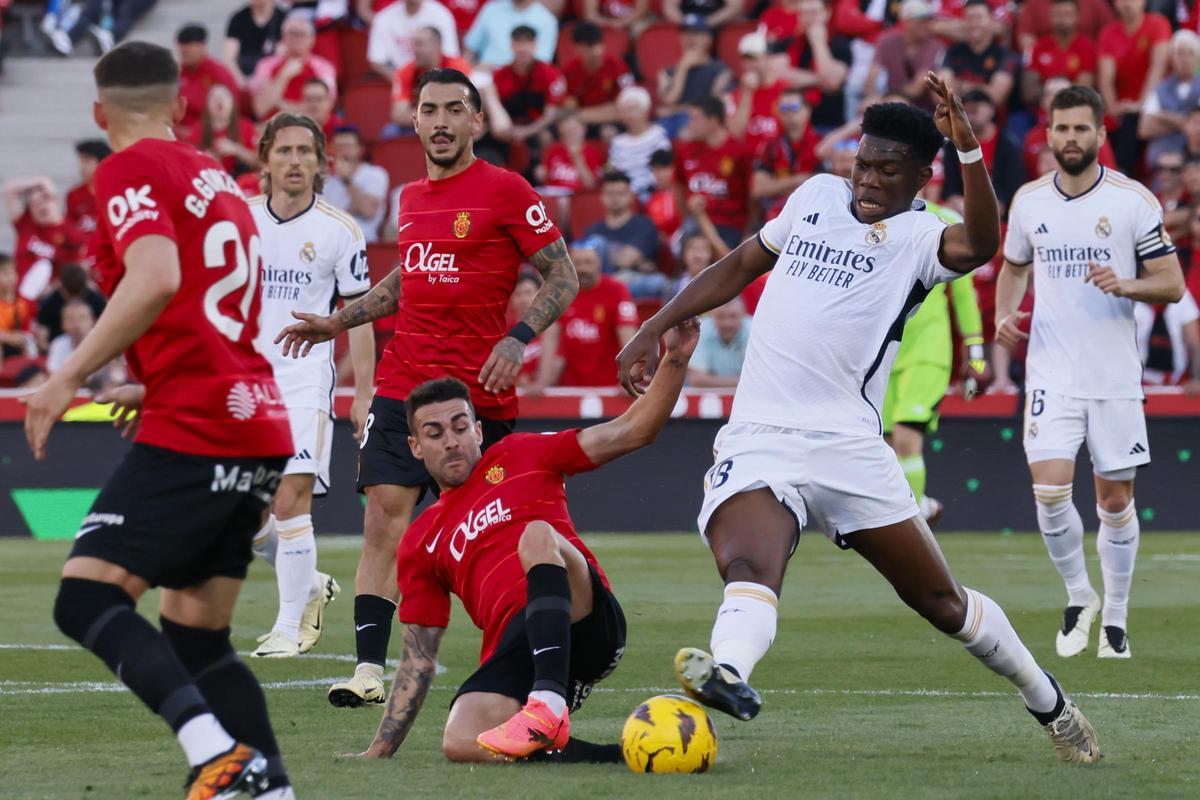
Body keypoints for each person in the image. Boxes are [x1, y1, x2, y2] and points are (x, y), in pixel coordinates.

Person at [616, 74, 1101, 764]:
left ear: (920, 177)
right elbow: (739, 263)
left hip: (848, 446)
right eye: (862, 164)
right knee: (750, 563)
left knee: (943, 604)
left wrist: (969, 150)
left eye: (886, 170)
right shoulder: (814, 196)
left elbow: (985, 244)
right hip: (760, 437)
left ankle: (1048, 702)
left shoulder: (921, 237)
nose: (867, 180)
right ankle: (730, 674)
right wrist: (656, 324)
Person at [23, 41, 296, 799]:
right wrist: (153, 380)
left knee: (86, 598)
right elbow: (212, 302)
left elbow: (157, 277)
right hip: (254, 417)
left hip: (201, 426)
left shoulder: (126, 168)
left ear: (97, 113)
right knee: (197, 635)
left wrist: (65, 377)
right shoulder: (215, 175)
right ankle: (273, 792)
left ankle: (216, 754)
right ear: (181, 106)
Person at [276, 68, 578, 708]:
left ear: (475, 121)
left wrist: (517, 336)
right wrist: (340, 318)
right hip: (401, 385)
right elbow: (405, 283)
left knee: (489, 536)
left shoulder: (506, 190)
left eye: (453, 110)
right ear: (413, 121)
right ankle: (366, 671)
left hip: (477, 398)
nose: (440, 121)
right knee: (384, 515)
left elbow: (564, 277)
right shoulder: (410, 198)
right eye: (428, 110)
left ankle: (522, 660)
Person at [356, 322, 699, 761]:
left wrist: (675, 360)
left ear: (478, 431)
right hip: (518, 647)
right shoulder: (420, 539)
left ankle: (548, 705)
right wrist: (377, 753)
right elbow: (419, 657)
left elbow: (632, 430)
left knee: (535, 534)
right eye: (435, 433)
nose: (452, 441)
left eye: (460, 426)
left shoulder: (521, 452)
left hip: (587, 620)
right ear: (416, 446)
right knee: (461, 742)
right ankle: (617, 757)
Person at [995, 85, 1186, 661]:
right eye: (1061, 129)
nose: (1070, 138)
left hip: (1113, 376)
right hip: (1051, 370)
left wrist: (1126, 283)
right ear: (1048, 135)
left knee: (1112, 501)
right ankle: (1081, 596)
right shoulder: (1029, 202)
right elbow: (1013, 267)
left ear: (1101, 135)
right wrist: (1005, 312)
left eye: (1081, 129)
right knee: (1050, 490)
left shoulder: (1133, 201)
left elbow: (1172, 284)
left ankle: (1118, 617)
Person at [246, 113, 376, 659]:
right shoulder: (239, 219)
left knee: (289, 498)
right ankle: (313, 583)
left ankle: (287, 626)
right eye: (284, 151)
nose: (294, 161)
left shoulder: (339, 229)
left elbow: (362, 311)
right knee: (242, 523)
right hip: (245, 383)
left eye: (305, 151)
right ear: (266, 160)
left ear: (322, 163)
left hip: (304, 380)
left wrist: (364, 390)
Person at [884, 201, 989, 526]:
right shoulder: (873, 219)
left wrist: (975, 352)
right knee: (885, 446)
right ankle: (924, 506)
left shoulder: (947, 221)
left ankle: (911, 525)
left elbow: (962, 294)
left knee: (905, 437)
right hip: (884, 350)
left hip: (929, 348)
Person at [537, 238, 638, 387]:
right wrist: (542, 382)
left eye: (588, 262)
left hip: (609, 387)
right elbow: (550, 339)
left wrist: (629, 379)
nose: (582, 269)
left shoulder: (617, 291)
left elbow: (629, 338)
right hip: (571, 388)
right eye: (577, 263)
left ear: (599, 263)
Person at [1097, 0, 1171, 176]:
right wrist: (1113, 106)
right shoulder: (1109, 32)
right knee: (1101, 127)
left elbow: (1157, 67)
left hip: (1154, 100)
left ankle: (1122, 173)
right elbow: (1106, 78)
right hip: (1121, 105)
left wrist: (1142, 103)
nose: (1126, 4)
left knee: (1132, 124)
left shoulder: (1157, 24)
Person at [675, 97, 753, 250]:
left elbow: (751, 195)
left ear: (714, 120)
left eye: (695, 118)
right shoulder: (685, 151)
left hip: (729, 224)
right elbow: (678, 186)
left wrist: (748, 228)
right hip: (694, 224)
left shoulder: (739, 152)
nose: (690, 124)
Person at [941, 89, 1025, 215]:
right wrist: (955, 199)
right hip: (960, 207)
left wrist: (999, 204)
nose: (969, 116)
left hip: (1000, 211)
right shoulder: (952, 145)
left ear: (992, 110)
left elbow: (1013, 186)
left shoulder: (1009, 145)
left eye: (974, 110)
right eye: (965, 112)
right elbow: (949, 185)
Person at [2, 177, 88, 300]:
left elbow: (75, 272)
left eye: (45, 199)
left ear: (56, 201)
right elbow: (9, 191)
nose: (41, 206)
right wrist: (41, 181)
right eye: (34, 204)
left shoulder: (72, 233)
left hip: (46, 298)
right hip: (13, 297)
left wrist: (51, 290)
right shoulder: (26, 224)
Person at [251, 12, 339, 119]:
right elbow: (261, 109)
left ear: (312, 40)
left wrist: (281, 104)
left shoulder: (324, 68)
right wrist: (283, 76)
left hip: (309, 125)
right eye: (292, 33)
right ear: (283, 38)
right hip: (272, 125)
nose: (297, 38)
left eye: (302, 34)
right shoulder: (266, 65)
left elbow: (324, 108)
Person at [751, 87, 821, 219]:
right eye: (783, 108)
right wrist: (799, 180)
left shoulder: (821, 145)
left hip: (813, 213)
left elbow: (824, 186)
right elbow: (758, 189)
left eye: (794, 107)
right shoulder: (770, 146)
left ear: (808, 110)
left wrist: (777, 185)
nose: (788, 113)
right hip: (776, 216)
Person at [864, 0, 945, 111]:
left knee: (895, 105)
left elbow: (916, 88)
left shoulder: (935, 46)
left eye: (929, 20)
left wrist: (887, 99)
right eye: (921, 20)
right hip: (891, 99)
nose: (926, 25)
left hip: (921, 109)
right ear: (906, 21)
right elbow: (871, 79)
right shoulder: (887, 41)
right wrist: (873, 97)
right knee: (868, 105)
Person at [657, 16, 732, 136]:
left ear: (708, 39)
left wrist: (678, 109)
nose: (689, 39)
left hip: (699, 123)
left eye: (696, 33)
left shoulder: (721, 71)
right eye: (685, 34)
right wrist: (682, 68)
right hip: (670, 123)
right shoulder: (667, 72)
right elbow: (669, 100)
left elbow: (712, 107)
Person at [492, 26, 567, 145]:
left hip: (539, 127)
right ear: (511, 45)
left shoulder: (551, 74)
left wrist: (526, 132)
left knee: (545, 137)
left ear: (535, 45)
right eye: (518, 43)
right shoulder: (499, 76)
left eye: (527, 43)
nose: (523, 49)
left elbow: (551, 114)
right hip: (509, 127)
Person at [389, 26, 472, 134]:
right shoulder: (405, 72)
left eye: (419, 44)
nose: (414, 50)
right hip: (416, 126)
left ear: (438, 46)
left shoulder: (458, 68)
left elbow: (466, 109)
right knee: (390, 132)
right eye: (413, 45)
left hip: (451, 126)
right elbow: (398, 115)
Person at [583, 171, 662, 283]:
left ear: (631, 196)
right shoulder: (593, 230)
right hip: (601, 282)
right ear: (601, 197)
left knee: (657, 282)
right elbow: (583, 265)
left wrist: (602, 254)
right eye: (609, 193)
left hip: (635, 281)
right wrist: (639, 262)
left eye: (621, 193)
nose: (615, 198)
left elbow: (626, 260)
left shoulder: (644, 225)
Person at [938, 0, 1019, 108]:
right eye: (969, 18)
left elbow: (996, 96)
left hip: (993, 122)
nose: (974, 24)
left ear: (991, 20)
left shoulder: (1005, 55)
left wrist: (961, 86)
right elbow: (941, 92)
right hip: (956, 116)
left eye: (979, 18)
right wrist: (983, 88)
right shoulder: (952, 52)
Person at [1137, 30, 1200, 167]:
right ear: (1173, 58)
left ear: (1197, 58)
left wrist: (1161, 116)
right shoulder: (1160, 88)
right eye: (1180, 53)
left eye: (1190, 53)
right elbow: (1144, 129)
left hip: (1194, 164)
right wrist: (1184, 122)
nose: (1185, 59)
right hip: (1162, 163)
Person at [1021, 0, 1096, 109]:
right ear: (1050, 16)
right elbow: (1029, 91)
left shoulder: (1087, 47)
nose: (1062, 19)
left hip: (1075, 109)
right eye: (1057, 14)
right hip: (1041, 110)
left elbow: (1084, 88)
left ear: (1077, 17)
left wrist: (1059, 93)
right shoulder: (1037, 47)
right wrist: (1049, 92)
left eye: (1067, 14)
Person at [560, 21, 634, 128]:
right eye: (588, 48)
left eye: (597, 45)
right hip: (582, 123)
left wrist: (582, 114)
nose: (595, 52)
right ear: (577, 49)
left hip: (610, 122)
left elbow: (627, 104)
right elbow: (569, 107)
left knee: (609, 131)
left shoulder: (619, 66)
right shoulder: (569, 71)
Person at [323, 126, 390, 243]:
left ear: (359, 149)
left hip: (365, 242)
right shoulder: (326, 181)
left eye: (348, 146)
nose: (343, 151)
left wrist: (347, 181)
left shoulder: (375, 174)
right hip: (333, 244)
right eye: (338, 146)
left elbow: (368, 211)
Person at [726, 32, 788, 157]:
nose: (750, 65)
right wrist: (747, 94)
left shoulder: (785, 89)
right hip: (747, 160)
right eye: (745, 59)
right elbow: (735, 134)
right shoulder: (736, 95)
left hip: (777, 158)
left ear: (767, 58)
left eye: (754, 59)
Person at [175, 23, 240, 136]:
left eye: (189, 45)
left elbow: (230, 112)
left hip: (208, 136)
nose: (184, 50)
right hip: (178, 133)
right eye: (182, 45)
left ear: (202, 46)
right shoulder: (176, 74)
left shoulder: (218, 74)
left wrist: (196, 133)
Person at [368, 0, 460, 79]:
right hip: (400, 77)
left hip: (436, 78)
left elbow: (450, 55)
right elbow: (376, 60)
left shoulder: (442, 15)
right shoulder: (383, 18)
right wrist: (402, 79)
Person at [608, 87, 672, 200]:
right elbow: (614, 171)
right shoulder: (617, 142)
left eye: (634, 109)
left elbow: (663, 167)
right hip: (625, 195)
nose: (630, 115)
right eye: (626, 110)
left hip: (653, 191)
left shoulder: (657, 135)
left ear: (646, 111)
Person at [464, 0, 558, 69]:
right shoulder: (491, 9)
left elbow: (541, 64)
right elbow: (470, 51)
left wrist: (497, 69)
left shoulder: (547, 20)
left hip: (523, 82)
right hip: (484, 76)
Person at [191, 84, 259, 176]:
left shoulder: (246, 127)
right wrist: (205, 159)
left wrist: (237, 150)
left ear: (232, 103)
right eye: (214, 97)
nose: (219, 100)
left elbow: (260, 164)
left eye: (224, 96)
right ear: (207, 105)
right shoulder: (198, 130)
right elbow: (189, 164)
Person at [36, 262, 107, 347]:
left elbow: (107, 326)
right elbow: (42, 336)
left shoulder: (97, 301)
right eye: (70, 295)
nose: (74, 300)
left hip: (92, 345)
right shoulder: (50, 304)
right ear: (62, 288)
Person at [687, 297, 750, 387]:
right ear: (712, 317)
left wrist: (710, 380)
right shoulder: (700, 331)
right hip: (710, 397)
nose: (727, 323)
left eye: (733, 316)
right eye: (721, 316)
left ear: (743, 316)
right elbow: (696, 379)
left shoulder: (754, 330)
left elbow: (761, 378)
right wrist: (744, 382)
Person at [535, 112, 605, 193]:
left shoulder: (592, 152)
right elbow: (545, 178)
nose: (570, 135)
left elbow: (590, 184)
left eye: (573, 130)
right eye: (566, 132)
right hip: (554, 195)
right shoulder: (553, 149)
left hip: (579, 196)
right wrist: (541, 173)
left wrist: (577, 157)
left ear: (583, 129)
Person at [224, 0, 287, 83]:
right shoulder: (238, 19)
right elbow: (228, 59)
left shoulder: (284, 18)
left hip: (271, 79)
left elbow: (283, 55)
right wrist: (242, 82)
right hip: (243, 75)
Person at [67, 139, 113, 235]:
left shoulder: (116, 193)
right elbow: (70, 229)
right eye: (80, 161)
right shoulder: (74, 195)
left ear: (102, 161)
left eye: (86, 161)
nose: (81, 167)